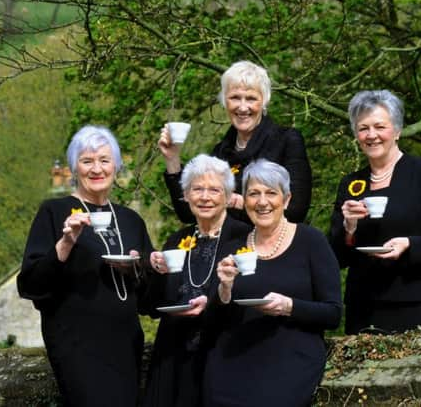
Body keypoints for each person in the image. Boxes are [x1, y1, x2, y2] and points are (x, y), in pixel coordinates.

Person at [18, 125, 153, 406]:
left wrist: (142, 268)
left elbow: (149, 298)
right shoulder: (54, 212)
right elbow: (30, 284)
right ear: (74, 168)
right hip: (77, 346)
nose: (97, 169)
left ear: (116, 166)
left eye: (104, 160)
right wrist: (66, 242)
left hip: (125, 343)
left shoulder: (131, 220)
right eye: (87, 161)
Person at [203, 159, 342, 407]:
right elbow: (212, 322)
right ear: (244, 201)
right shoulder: (233, 247)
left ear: (286, 200)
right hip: (232, 363)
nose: (262, 202)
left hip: (290, 362)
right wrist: (224, 288)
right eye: (254, 194)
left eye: (271, 193)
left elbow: (333, 314)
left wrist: (289, 306)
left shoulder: (312, 241)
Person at [329, 90, 421, 335]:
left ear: (397, 131)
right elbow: (336, 257)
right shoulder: (350, 183)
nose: (371, 135)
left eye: (380, 126)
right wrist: (349, 228)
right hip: (364, 306)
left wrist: (409, 244)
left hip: (416, 301)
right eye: (363, 128)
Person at [139, 154, 250, 407]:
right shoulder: (175, 241)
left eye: (214, 189)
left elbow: (249, 296)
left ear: (228, 196)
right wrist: (153, 269)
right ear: (186, 195)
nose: (205, 197)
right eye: (197, 189)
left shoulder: (244, 239)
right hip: (173, 356)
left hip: (223, 355)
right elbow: (151, 307)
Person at [159, 60, 312, 224]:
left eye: (251, 98)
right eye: (235, 98)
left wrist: (239, 203)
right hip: (229, 247)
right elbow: (189, 214)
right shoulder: (221, 152)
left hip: (272, 246)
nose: (243, 107)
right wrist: (172, 158)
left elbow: (296, 211)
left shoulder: (287, 141)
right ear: (225, 101)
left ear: (264, 102)